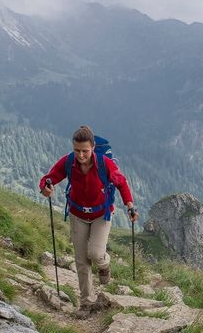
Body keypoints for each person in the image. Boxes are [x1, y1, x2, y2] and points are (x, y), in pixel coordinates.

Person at [39, 125, 138, 317]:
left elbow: (121, 182)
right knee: (82, 260)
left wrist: (130, 205)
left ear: (92, 147)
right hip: (78, 214)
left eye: (85, 151)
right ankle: (87, 303)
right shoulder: (69, 162)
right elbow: (49, 178)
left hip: (102, 214)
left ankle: (105, 264)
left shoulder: (105, 164)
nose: (81, 155)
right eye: (77, 150)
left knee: (95, 253)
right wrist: (45, 187)